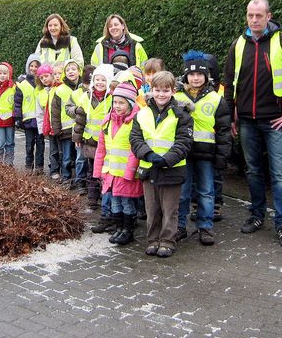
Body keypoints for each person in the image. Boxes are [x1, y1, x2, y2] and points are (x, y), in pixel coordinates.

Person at [224, 0, 282, 247]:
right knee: (253, 171)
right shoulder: (238, 44)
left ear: (268, 16)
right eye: (250, 15)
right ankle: (257, 215)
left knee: (279, 175)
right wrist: (231, 115)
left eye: (259, 15)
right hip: (247, 122)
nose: (254, 20)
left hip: (275, 122)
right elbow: (229, 83)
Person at [130, 71, 193, 258]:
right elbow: (135, 138)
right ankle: (153, 240)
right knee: (152, 208)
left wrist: (167, 159)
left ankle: (167, 241)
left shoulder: (182, 115)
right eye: (157, 90)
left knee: (170, 209)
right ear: (151, 90)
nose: (161, 94)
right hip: (149, 168)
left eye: (166, 90)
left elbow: (184, 142)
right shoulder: (142, 113)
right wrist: (148, 154)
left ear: (173, 91)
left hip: (172, 169)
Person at [174, 52, 231, 246]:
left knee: (207, 192)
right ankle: (179, 227)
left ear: (207, 76)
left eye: (200, 74)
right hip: (183, 153)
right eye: (191, 74)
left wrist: (222, 156)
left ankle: (205, 227)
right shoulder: (176, 97)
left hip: (206, 155)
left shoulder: (216, 99)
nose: (195, 78)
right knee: (182, 192)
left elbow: (223, 131)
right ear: (185, 76)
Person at [93, 82, 142, 245]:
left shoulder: (136, 121)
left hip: (126, 173)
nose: (117, 106)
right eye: (115, 102)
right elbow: (101, 148)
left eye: (121, 103)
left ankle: (128, 230)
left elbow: (135, 149)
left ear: (130, 104)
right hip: (111, 171)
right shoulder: (108, 121)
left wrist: (130, 171)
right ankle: (119, 228)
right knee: (114, 201)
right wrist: (98, 170)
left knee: (127, 202)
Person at [70, 64, 114, 209]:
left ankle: (103, 195)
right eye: (97, 79)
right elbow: (80, 119)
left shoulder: (112, 99)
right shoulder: (85, 97)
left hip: (106, 144)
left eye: (103, 80)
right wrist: (77, 138)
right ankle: (92, 198)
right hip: (89, 142)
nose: (99, 83)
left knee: (104, 172)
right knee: (91, 172)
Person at [65, 65, 96, 193]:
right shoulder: (76, 93)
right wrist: (77, 110)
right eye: (86, 83)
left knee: (94, 161)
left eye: (91, 83)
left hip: (93, 134)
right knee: (81, 159)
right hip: (79, 131)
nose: (89, 86)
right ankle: (80, 183)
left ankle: (94, 186)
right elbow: (68, 109)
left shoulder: (99, 93)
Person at [51, 59, 81, 185]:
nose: (71, 72)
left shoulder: (83, 88)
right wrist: (56, 128)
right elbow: (55, 111)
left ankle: (79, 180)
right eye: (67, 70)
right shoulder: (60, 90)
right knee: (67, 157)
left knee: (80, 158)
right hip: (66, 130)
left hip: (80, 130)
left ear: (79, 71)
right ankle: (67, 178)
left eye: (73, 69)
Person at [14, 54, 43, 173]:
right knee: (29, 143)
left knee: (40, 144)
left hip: (40, 119)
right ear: (28, 66)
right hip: (28, 120)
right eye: (31, 65)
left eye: (36, 66)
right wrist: (18, 117)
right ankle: (28, 165)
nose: (34, 68)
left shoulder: (43, 81)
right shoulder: (22, 82)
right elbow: (17, 101)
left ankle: (39, 167)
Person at [35, 63, 55, 176]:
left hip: (60, 126)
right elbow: (39, 113)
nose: (44, 79)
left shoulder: (58, 89)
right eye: (41, 78)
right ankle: (53, 169)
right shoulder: (40, 94)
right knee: (53, 150)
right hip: (49, 127)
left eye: (46, 76)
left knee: (62, 151)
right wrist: (41, 129)